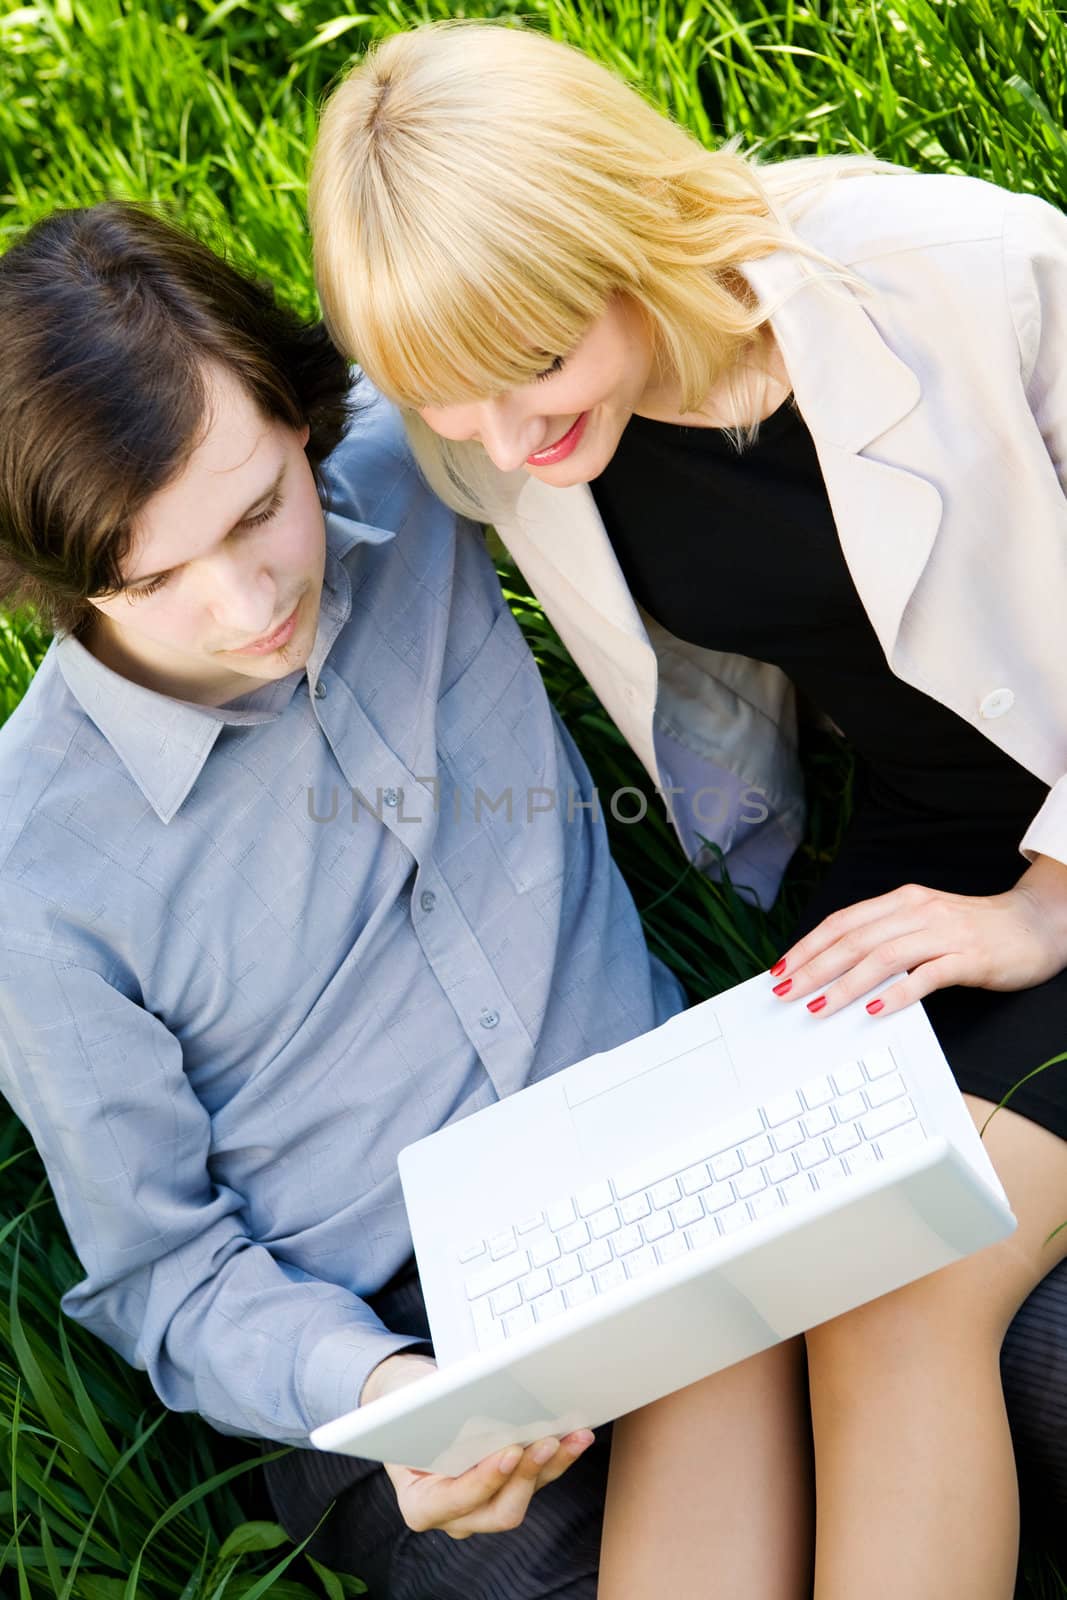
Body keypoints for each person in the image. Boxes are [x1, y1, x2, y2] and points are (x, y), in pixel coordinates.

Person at [308, 20, 1067, 1597]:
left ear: (621, 234)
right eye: (449, 397)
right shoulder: (504, 422)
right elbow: (294, 478)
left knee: (904, 1285)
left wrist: (1040, 905)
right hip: (911, 866)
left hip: (1047, 871)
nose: (508, 445)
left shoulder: (970, 276)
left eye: (532, 372)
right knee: (755, 1268)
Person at [0, 200, 691, 1598]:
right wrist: (389, 1391)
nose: (247, 599)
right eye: (153, 579)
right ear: (65, 584)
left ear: (304, 417)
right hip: (399, 1332)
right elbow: (163, 1272)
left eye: (260, 507)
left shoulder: (418, 461)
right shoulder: (35, 871)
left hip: (674, 1141)